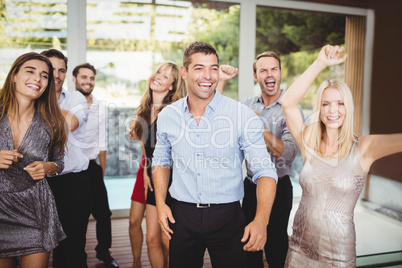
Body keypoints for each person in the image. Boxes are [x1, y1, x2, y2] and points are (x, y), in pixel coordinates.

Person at [151, 41, 278, 268]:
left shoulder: (241, 115)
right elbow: (161, 161)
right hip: (181, 215)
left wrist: (261, 220)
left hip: (228, 216)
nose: (208, 76)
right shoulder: (168, 115)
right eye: (199, 68)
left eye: (213, 68)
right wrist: (161, 203)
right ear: (184, 72)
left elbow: (265, 171)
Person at [280, 44, 402, 267]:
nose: (332, 110)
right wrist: (320, 64)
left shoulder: (364, 148)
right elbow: (288, 102)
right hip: (299, 247)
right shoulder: (309, 141)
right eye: (325, 104)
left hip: (337, 254)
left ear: (348, 108)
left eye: (340, 103)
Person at [218, 51, 302, 268]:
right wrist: (220, 81)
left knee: (276, 245)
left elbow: (289, 153)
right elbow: (219, 119)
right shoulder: (247, 104)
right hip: (250, 185)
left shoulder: (291, 109)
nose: (269, 74)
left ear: (281, 73)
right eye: (263, 70)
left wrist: (259, 129)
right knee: (248, 243)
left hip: (280, 187)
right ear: (256, 76)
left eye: (274, 69)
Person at [0, 52, 67, 267]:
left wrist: (49, 167)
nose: (37, 79)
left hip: (35, 210)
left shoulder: (53, 121)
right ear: (14, 75)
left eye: (44, 76)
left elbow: (59, 162)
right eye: (30, 71)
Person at [129, 61, 187, 268]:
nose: (158, 76)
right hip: (153, 177)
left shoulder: (172, 111)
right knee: (152, 240)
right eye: (158, 72)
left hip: (171, 180)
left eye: (165, 76)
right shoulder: (145, 110)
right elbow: (147, 147)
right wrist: (145, 169)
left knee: (167, 240)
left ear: (172, 86)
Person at [41, 49, 91, 268]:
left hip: (72, 182)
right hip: (39, 182)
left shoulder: (75, 98)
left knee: (72, 248)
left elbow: (70, 124)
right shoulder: (25, 99)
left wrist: (43, 99)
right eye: (51, 70)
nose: (57, 75)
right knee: (35, 245)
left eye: (62, 70)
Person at [72, 63, 119, 268]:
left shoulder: (100, 106)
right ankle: (76, 256)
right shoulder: (65, 104)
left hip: (91, 167)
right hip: (71, 169)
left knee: (103, 213)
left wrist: (102, 170)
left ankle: (104, 252)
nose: (88, 81)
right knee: (78, 216)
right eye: (83, 77)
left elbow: (102, 140)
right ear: (74, 79)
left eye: (91, 78)